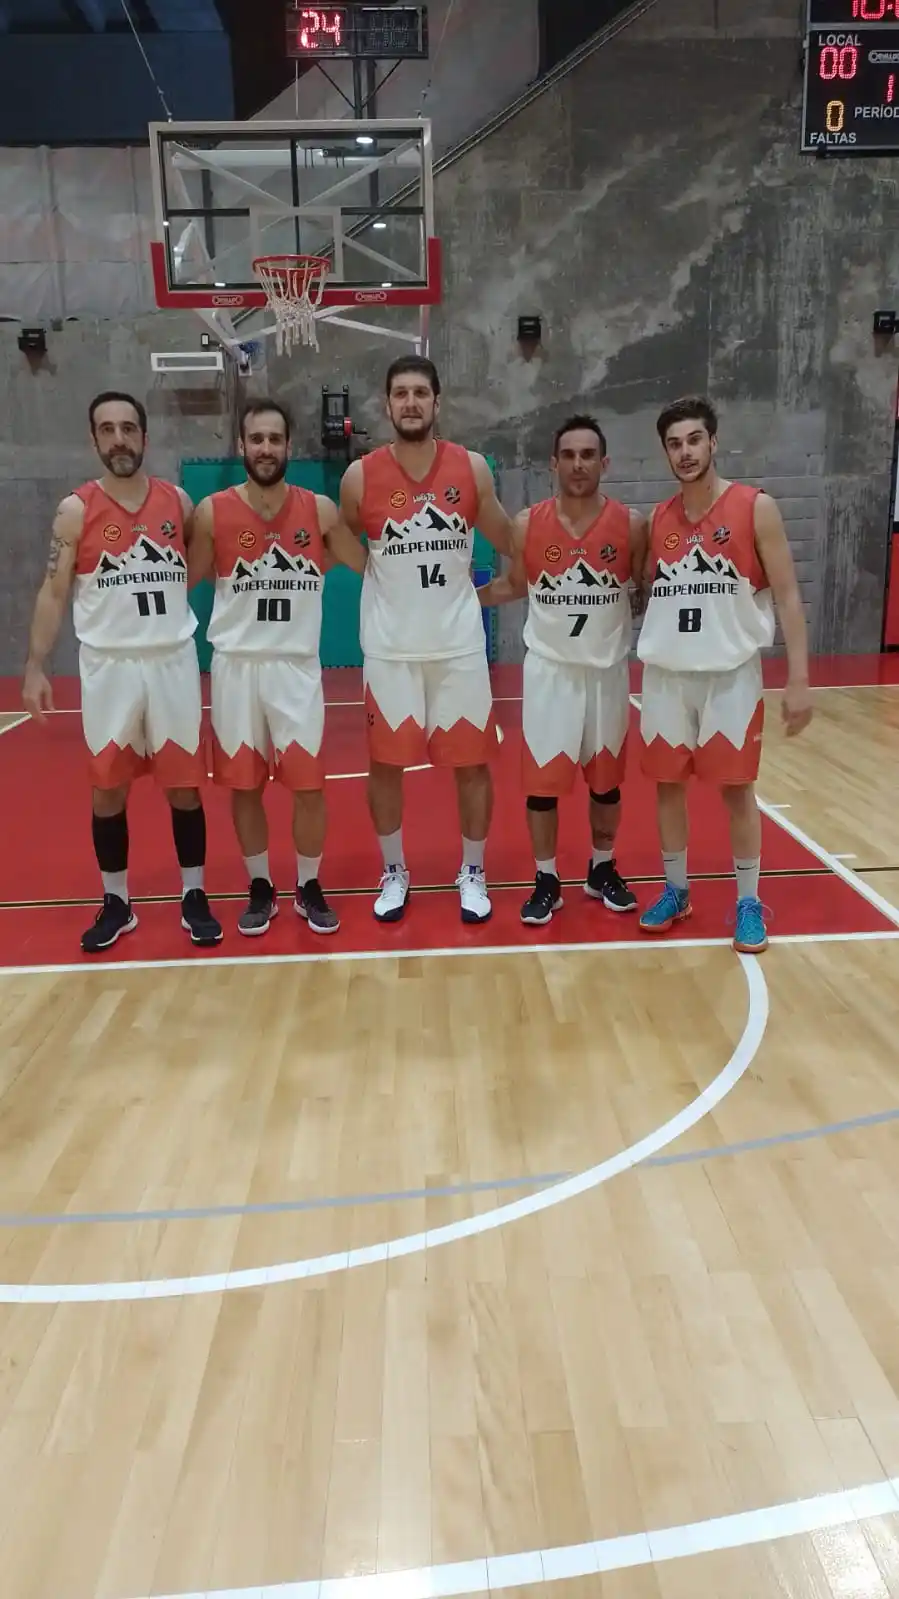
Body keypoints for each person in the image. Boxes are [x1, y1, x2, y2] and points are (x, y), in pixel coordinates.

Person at [22, 391, 222, 953]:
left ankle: (194, 895)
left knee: (184, 786)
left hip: (171, 661)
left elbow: (200, 563)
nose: (119, 439)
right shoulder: (76, 511)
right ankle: (117, 902)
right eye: (107, 430)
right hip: (108, 665)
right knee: (107, 789)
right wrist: (36, 665)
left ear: (144, 437)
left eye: (128, 429)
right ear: (94, 440)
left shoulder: (177, 502)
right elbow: (54, 588)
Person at [339, 356, 515, 924]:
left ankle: (472, 870)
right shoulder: (360, 477)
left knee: (472, 765)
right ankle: (394, 871)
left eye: (420, 393)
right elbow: (338, 543)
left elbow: (512, 538)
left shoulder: (472, 469)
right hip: (390, 651)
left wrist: (485, 596)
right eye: (400, 394)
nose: (410, 402)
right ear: (386, 405)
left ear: (437, 402)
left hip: (459, 649)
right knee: (385, 766)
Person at [637, 395, 813, 952]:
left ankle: (747, 901)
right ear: (665, 451)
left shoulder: (754, 506)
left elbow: (785, 593)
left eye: (694, 440)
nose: (685, 452)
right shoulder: (659, 520)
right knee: (667, 788)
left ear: (713, 442)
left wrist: (800, 678)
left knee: (737, 791)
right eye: (674, 443)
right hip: (668, 676)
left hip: (731, 675)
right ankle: (676, 889)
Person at [189, 398, 368, 936]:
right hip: (236, 668)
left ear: (290, 447)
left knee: (309, 787)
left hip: (295, 668)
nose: (265, 448)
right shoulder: (213, 511)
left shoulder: (318, 510)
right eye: (256, 439)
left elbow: (367, 563)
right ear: (242, 446)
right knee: (244, 787)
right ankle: (261, 885)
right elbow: (183, 578)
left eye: (274, 439)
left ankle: (309, 884)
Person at [478, 416, 646, 925]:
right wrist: (456, 602)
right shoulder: (528, 523)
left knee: (606, 785)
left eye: (588, 454)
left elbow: (643, 591)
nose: (578, 464)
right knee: (542, 788)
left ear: (604, 463)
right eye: (568, 454)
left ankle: (601, 868)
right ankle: (547, 879)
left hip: (607, 672)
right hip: (550, 673)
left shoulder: (632, 525)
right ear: (554, 463)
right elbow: (513, 585)